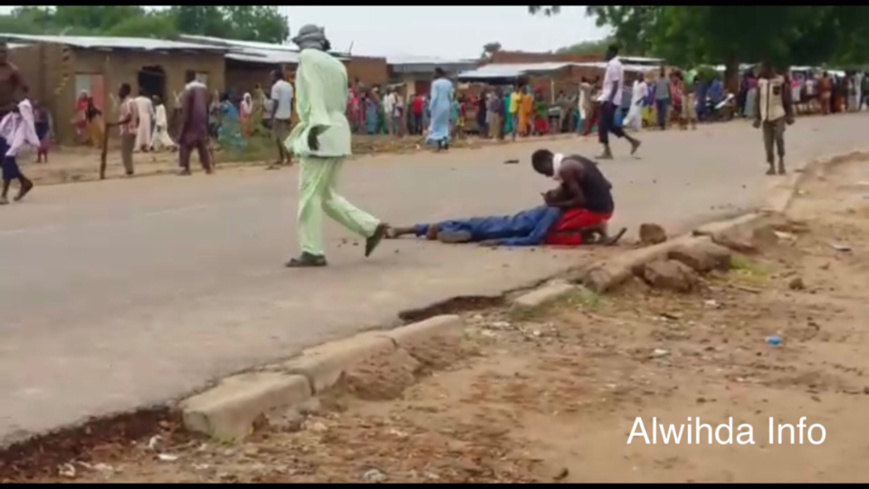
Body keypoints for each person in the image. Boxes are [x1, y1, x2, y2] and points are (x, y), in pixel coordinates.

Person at [284, 24, 389, 268]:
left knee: (309, 196)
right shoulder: (337, 64)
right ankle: (370, 227)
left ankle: (312, 251)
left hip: (320, 131)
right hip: (338, 131)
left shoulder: (308, 58)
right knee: (326, 196)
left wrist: (317, 125)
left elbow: (316, 92)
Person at [387, 149, 626, 247]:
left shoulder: (561, 187)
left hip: (593, 210)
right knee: (493, 225)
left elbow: (535, 237)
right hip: (596, 207)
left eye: (546, 176)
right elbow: (606, 184)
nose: (550, 183)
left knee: (500, 227)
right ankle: (429, 229)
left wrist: (503, 243)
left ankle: (428, 228)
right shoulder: (574, 161)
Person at [596, 44, 641, 159]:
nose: (605, 54)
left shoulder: (614, 65)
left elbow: (615, 83)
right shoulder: (615, 64)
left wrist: (610, 99)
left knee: (602, 124)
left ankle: (607, 151)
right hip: (610, 97)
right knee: (610, 125)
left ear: (612, 52)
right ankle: (632, 141)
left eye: (607, 52)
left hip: (610, 99)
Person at [753, 61, 795, 176]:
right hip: (765, 117)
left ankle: (781, 161)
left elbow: (786, 99)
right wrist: (757, 117)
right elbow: (757, 101)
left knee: (779, 137)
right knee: (768, 143)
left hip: (779, 114)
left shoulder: (780, 82)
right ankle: (771, 166)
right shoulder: (760, 83)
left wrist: (789, 115)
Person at [0, 93, 37, 204]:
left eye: (15, 105)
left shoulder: (24, 119)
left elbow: (24, 107)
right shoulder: (10, 116)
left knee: (7, 162)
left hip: (13, 144)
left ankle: (4, 195)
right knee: (6, 163)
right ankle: (25, 182)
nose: (12, 107)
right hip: (3, 140)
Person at [177, 72, 213, 176]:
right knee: (202, 144)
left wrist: (183, 124)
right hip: (202, 120)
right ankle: (207, 167)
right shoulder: (204, 90)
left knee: (185, 144)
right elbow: (207, 105)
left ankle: (185, 168)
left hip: (192, 121)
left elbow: (186, 109)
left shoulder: (188, 90)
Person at [269, 69, 294, 168]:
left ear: (276, 76)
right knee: (286, 137)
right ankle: (289, 159)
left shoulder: (276, 87)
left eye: (272, 76)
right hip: (287, 115)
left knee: (277, 137)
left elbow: (276, 103)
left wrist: (271, 117)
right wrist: (290, 113)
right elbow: (291, 102)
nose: (271, 78)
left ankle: (281, 158)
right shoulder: (289, 86)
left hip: (278, 115)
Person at [426, 67, 454, 151]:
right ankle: (444, 140)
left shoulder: (435, 83)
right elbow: (451, 96)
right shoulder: (449, 83)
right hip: (446, 106)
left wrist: (430, 107)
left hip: (437, 106)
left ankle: (438, 143)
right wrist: (450, 106)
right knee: (444, 124)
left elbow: (434, 97)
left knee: (435, 124)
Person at [115, 83, 138, 176]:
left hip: (127, 130)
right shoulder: (133, 102)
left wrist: (117, 123)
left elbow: (128, 116)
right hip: (132, 130)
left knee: (125, 152)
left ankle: (129, 170)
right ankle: (129, 169)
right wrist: (135, 127)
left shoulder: (127, 103)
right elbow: (138, 118)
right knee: (128, 151)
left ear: (125, 91)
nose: (119, 92)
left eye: (120, 90)